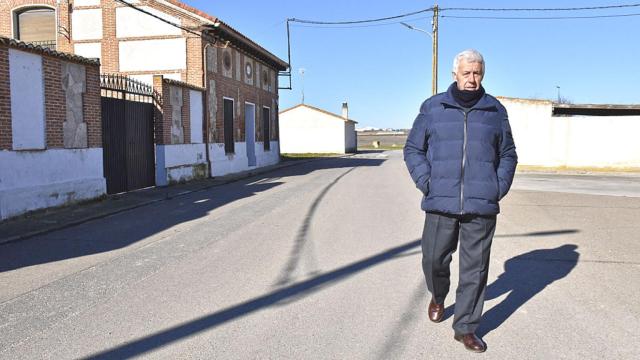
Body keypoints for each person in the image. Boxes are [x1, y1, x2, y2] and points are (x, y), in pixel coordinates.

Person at [403, 49, 517, 353]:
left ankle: (466, 327)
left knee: (475, 268)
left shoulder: (495, 110)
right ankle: (439, 296)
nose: (472, 79)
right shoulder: (433, 107)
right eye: (466, 73)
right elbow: (413, 149)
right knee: (433, 259)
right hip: (441, 202)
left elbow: (508, 154)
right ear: (455, 74)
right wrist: (426, 183)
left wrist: (497, 187)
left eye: (477, 73)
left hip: (481, 205)